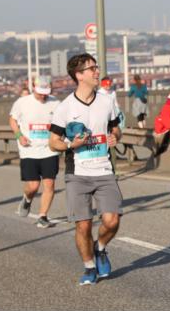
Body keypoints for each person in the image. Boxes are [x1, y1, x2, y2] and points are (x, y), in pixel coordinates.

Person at [49, 54, 123, 286]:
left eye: (96, 67)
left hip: (104, 170)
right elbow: (53, 142)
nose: (96, 71)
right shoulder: (65, 107)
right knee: (83, 224)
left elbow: (116, 128)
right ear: (79, 75)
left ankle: (100, 248)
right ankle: (89, 267)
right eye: (91, 68)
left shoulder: (106, 101)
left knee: (112, 221)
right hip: (77, 173)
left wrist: (114, 137)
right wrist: (72, 145)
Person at [9, 75, 60, 228]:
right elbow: (12, 120)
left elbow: (63, 121)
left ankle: (43, 216)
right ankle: (27, 199)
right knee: (33, 186)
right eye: (40, 92)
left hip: (49, 149)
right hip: (29, 149)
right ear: (33, 87)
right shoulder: (22, 102)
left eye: (46, 91)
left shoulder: (56, 103)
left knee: (49, 184)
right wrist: (19, 136)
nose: (43, 95)